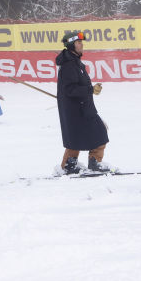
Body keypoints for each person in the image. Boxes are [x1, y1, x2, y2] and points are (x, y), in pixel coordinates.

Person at [55, 30, 110, 174]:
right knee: (100, 132)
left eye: (81, 42)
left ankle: (68, 165)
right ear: (72, 45)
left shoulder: (74, 62)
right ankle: (95, 163)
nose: (82, 45)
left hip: (81, 107)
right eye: (79, 43)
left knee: (76, 138)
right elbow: (70, 89)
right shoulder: (69, 65)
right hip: (77, 109)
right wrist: (90, 90)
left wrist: (91, 89)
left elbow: (73, 87)